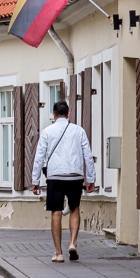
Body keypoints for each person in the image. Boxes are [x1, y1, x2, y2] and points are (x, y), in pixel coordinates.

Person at [31, 100, 96, 263]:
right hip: (75, 175)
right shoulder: (79, 131)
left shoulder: (47, 132)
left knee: (56, 212)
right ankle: (73, 243)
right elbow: (88, 155)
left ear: (53, 115)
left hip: (55, 176)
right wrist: (90, 179)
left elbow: (39, 158)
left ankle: (58, 252)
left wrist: (35, 180)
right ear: (68, 114)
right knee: (74, 208)